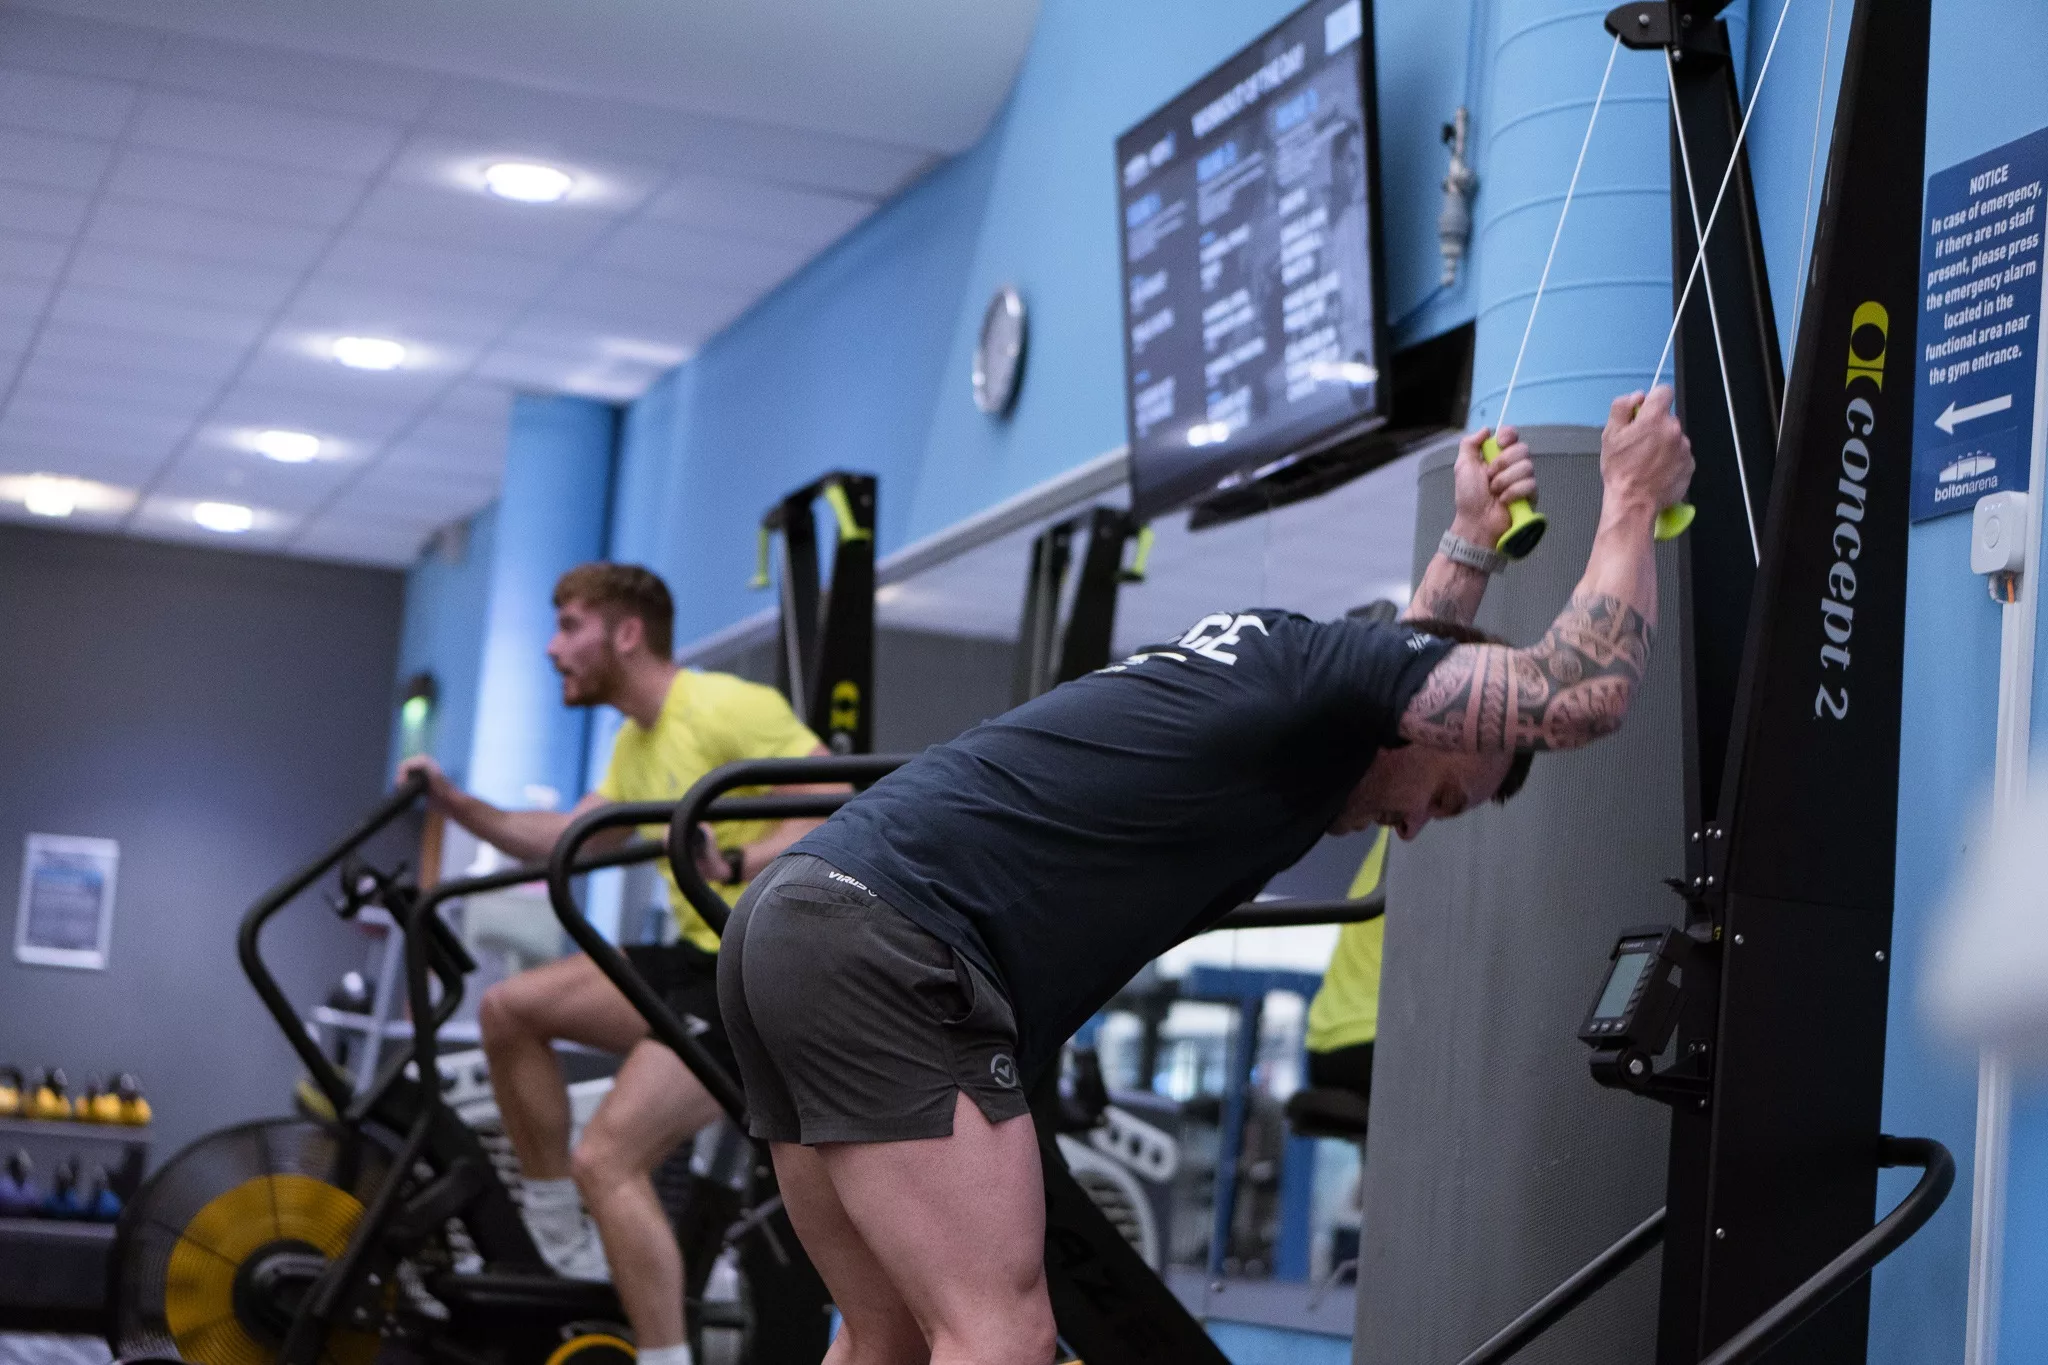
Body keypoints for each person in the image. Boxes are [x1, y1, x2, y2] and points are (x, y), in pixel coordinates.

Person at [719, 388, 1695, 1365]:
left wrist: (1470, 541)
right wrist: (1630, 499)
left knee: (884, 1337)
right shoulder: (1316, 674)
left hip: (790, 920)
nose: (1409, 828)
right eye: (1440, 799)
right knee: (1000, 1335)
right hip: (893, 946)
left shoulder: (1300, 691)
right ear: (1415, 722)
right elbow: (1581, 692)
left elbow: (1410, 661)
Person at [399, 563, 831, 1365]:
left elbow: (837, 796)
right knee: (508, 1009)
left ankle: (664, 1359)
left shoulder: (722, 706)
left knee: (608, 1156)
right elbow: (571, 838)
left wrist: (739, 863)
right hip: (698, 954)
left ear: (627, 633)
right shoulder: (637, 741)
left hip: (760, 971)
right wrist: (455, 804)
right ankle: (560, 1230)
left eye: (570, 626)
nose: (552, 647)